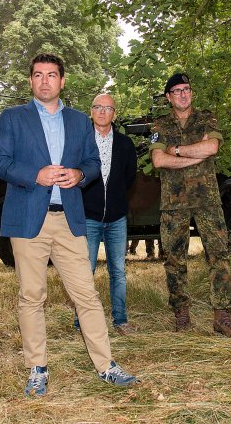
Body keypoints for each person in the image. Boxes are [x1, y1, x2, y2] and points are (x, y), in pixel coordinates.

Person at [0, 53, 138, 396]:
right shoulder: (12, 118)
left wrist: (80, 174)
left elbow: (93, 162)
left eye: (51, 75)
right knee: (31, 296)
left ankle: (106, 365)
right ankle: (37, 368)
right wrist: (34, 175)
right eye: (38, 75)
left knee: (87, 294)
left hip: (70, 219)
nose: (45, 81)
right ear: (31, 80)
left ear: (62, 81)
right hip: (28, 220)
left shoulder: (79, 121)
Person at [148, 72, 231, 338]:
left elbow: (212, 148)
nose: (183, 94)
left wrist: (177, 150)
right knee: (174, 259)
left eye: (187, 89)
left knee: (218, 255)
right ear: (169, 97)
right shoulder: (160, 125)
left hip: (207, 200)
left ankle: (222, 316)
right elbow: (158, 160)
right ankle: (181, 316)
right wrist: (196, 154)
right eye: (177, 91)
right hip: (174, 201)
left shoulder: (206, 118)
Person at [74, 93, 138, 335]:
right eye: (98, 107)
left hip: (117, 218)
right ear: (91, 112)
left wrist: (115, 199)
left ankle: (120, 320)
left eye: (108, 108)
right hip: (88, 217)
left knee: (118, 272)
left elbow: (129, 177)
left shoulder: (125, 144)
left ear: (114, 114)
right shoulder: (80, 142)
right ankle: (81, 322)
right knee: (85, 271)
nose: (102, 111)